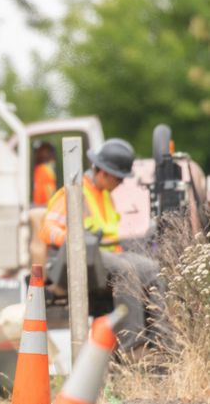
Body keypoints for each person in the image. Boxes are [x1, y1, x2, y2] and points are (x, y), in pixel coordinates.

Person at [39, 138, 160, 350]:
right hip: (73, 260)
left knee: (153, 270)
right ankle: (132, 348)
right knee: (125, 269)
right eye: (119, 178)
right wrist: (76, 240)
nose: (121, 183)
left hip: (105, 257)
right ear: (103, 173)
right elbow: (47, 229)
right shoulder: (74, 192)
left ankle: (161, 343)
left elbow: (109, 237)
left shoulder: (105, 196)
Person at [32, 141, 57, 206]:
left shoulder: (47, 169)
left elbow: (50, 189)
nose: (43, 154)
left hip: (45, 205)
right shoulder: (38, 169)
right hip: (39, 204)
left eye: (46, 151)